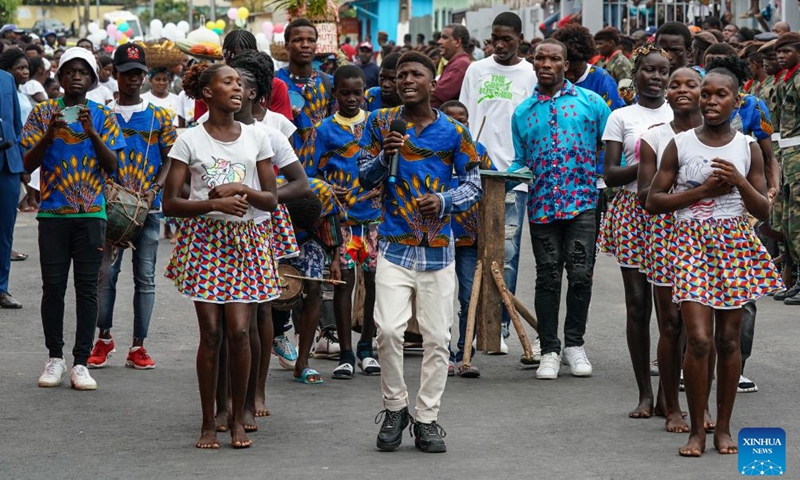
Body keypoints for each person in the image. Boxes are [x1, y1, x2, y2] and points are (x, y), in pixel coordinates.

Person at [646, 57, 782, 457]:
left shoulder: (747, 146)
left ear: (736, 101)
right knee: (700, 340)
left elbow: (763, 210)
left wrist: (738, 181)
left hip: (733, 245)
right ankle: (696, 432)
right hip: (689, 243)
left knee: (728, 340)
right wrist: (702, 191)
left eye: (720, 95)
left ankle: (723, 428)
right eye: (705, 94)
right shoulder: (681, 144)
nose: (710, 101)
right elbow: (654, 201)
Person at [360, 51, 481, 453]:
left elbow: (473, 185)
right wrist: (385, 155)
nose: (407, 80)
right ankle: (395, 408)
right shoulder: (380, 123)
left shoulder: (455, 131)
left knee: (437, 339)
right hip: (395, 245)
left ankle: (427, 418)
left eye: (416, 74)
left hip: (438, 251)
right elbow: (364, 176)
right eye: (401, 75)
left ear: (433, 83)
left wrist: (445, 201)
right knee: (388, 331)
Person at [162, 63, 279, 449]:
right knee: (211, 334)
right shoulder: (189, 140)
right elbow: (170, 203)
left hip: (246, 242)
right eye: (228, 82)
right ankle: (209, 422)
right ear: (208, 93)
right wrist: (213, 203)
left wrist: (240, 189)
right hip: (205, 241)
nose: (238, 88)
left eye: (240, 83)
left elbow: (271, 199)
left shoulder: (257, 136)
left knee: (240, 332)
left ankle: (240, 418)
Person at [22, 47, 125, 390]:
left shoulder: (104, 116)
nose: (76, 76)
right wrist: (49, 135)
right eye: (69, 71)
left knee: (87, 288)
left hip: (91, 214)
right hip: (52, 214)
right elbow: (26, 164)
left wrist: (91, 131)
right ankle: (55, 357)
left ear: (93, 79)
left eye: (82, 72)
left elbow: (113, 166)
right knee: (53, 288)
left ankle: (81, 362)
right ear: (60, 76)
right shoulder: (42, 113)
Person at [509, 39, 611, 380]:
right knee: (548, 276)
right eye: (540, 58)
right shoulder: (523, 112)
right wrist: (499, 180)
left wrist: (601, 177)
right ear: (533, 63)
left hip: (583, 202)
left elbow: (611, 146)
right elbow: (520, 161)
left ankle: (574, 344)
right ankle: (550, 349)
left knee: (581, 274)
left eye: (554, 59)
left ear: (566, 65)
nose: (546, 64)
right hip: (542, 204)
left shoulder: (591, 103)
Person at [86, 43, 176, 370]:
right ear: (115, 74)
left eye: (139, 73)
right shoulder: (102, 115)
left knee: (146, 277)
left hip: (149, 209)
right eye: (127, 73)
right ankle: (104, 338)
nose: (134, 79)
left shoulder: (160, 116)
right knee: (105, 275)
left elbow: (171, 159)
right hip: (109, 208)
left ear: (145, 75)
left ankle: (139, 345)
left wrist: (155, 190)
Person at [599, 43, 673, 417]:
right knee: (637, 304)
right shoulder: (621, 116)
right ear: (635, 73)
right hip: (632, 211)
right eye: (649, 70)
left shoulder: (681, 114)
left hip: (672, 213)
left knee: (672, 311)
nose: (656, 77)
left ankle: (667, 395)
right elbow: (610, 174)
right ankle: (644, 392)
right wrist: (650, 164)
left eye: (663, 71)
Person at [459, 11, 538, 354]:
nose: (500, 45)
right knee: (472, 252)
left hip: (512, 177)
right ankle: (475, 324)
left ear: (520, 38)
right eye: (495, 39)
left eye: (507, 39)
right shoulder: (476, 70)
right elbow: (462, 118)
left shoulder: (531, 74)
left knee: (506, 253)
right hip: (474, 174)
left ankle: (500, 325)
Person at [638, 66, 705, 433]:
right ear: (666, 92)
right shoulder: (655, 136)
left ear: (703, 92)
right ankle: (672, 407)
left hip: (708, 234)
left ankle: (700, 406)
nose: (681, 90)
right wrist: (694, 191)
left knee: (702, 329)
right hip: (665, 234)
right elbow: (645, 195)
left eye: (690, 85)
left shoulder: (719, 135)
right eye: (674, 84)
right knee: (671, 323)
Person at [304, 65, 382, 379]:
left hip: (374, 218)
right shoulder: (324, 129)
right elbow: (309, 173)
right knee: (343, 283)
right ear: (335, 93)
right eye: (345, 93)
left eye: (357, 93)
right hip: (343, 221)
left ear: (365, 93)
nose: (351, 99)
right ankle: (346, 353)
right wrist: (325, 188)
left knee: (374, 283)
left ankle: (367, 347)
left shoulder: (375, 124)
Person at [440, 100, 494, 377]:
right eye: (451, 119)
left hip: (469, 237)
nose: (457, 125)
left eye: (462, 120)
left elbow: (495, 181)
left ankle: (464, 353)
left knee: (467, 295)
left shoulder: (478, 150)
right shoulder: (434, 149)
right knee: (440, 297)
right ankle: (443, 354)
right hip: (438, 235)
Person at [275, 18, 334, 155]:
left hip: (320, 162)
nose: (305, 45)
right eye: (298, 40)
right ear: (286, 46)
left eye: (311, 40)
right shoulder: (274, 82)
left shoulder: (329, 83)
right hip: (283, 162)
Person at [775, 32, 800, 305]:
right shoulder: (788, 78)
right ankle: (796, 279)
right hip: (789, 157)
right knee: (789, 223)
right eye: (779, 52)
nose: (781, 56)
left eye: (786, 51)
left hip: (798, 157)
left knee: (798, 223)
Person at [222, 29, 292, 121]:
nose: (236, 68)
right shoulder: (215, 85)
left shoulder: (276, 86)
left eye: (244, 59)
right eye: (231, 58)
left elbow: (281, 125)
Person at [0, 66, 25, 309]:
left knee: (5, 231)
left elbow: (16, 124)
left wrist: (22, 162)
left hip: (8, 164)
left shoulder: (7, 79)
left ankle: (1, 289)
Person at [432, 24, 471, 108]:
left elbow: (436, 96)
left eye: (444, 37)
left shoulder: (460, 64)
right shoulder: (455, 63)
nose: (439, 41)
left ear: (457, 42)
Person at [0, 50, 33, 124]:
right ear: (8, 71)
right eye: (21, 68)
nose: (26, 72)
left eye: (27, 68)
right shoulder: (5, 96)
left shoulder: (22, 94)